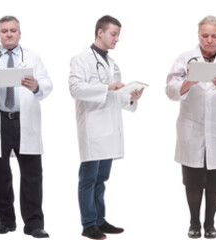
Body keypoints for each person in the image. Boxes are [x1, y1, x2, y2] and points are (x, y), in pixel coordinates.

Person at [164, 15, 216, 239]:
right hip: (192, 128)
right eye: (205, 35)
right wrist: (187, 82)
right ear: (198, 35)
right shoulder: (185, 59)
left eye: (214, 36)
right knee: (192, 178)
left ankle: (210, 223)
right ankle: (193, 222)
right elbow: (170, 90)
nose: (209, 40)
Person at [0, 15, 52, 239]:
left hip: (25, 120)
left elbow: (47, 84)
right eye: (4, 31)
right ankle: (5, 221)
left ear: (19, 33)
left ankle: (34, 224)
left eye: (13, 30)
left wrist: (36, 86)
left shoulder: (32, 57)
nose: (9, 34)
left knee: (32, 174)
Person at [69, 15, 141, 240]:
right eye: (114, 33)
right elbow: (75, 88)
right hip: (92, 128)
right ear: (100, 32)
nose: (117, 39)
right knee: (88, 178)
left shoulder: (112, 64)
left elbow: (116, 97)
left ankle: (100, 220)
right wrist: (106, 87)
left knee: (102, 179)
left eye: (118, 35)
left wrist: (131, 96)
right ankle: (88, 224)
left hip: (110, 129)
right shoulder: (80, 58)